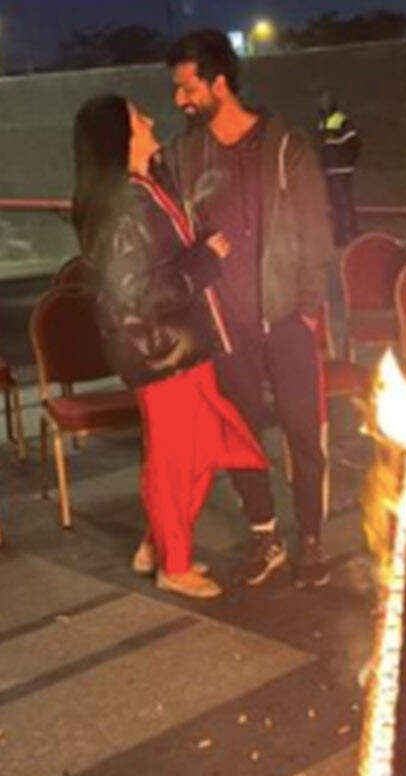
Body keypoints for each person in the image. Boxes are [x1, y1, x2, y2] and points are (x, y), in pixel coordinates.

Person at [72, 94, 269, 601]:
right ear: (121, 136)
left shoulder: (144, 188)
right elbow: (134, 294)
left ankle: (158, 545)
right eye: (140, 117)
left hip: (180, 346)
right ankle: (174, 565)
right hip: (159, 352)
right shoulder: (121, 205)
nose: (151, 119)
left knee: (202, 448)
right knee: (175, 460)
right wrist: (203, 263)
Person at [164, 29, 334, 588]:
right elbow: (169, 234)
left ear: (219, 82)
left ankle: (310, 534)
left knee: (302, 432)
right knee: (240, 435)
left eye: (187, 88)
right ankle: (266, 536)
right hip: (224, 325)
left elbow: (316, 228)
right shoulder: (186, 155)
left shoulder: (285, 146)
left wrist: (308, 307)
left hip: (286, 317)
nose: (180, 101)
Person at [316, 90, 360, 247]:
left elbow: (354, 142)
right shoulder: (323, 122)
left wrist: (349, 161)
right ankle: (342, 236)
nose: (322, 104)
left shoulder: (341, 120)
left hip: (341, 169)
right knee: (337, 204)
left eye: (325, 101)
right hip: (332, 169)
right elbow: (323, 147)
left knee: (343, 203)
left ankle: (351, 235)